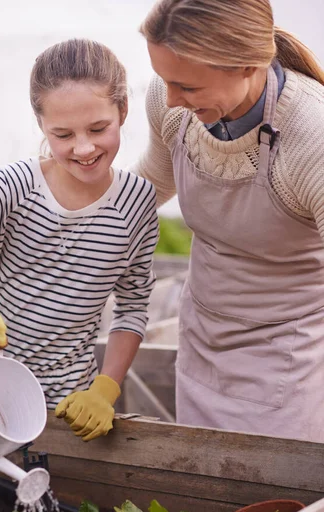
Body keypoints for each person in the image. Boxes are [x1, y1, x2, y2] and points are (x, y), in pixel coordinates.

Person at [0, 39, 159, 442]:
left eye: (98, 128)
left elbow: (133, 307)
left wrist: (106, 389)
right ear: (41, 126)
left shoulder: (137, 202)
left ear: (122, 111)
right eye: (63, 134)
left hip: (75, 412)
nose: (83, 148)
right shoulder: (15, 186)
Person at [134, 0, 324, 442]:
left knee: (275, 506)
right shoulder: (169, 102)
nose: (173, 98)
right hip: (203, 344)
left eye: (187, 87)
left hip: (289, 365)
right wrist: (66, 216)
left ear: (245, 66)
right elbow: (149, 185)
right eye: (165, 80)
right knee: (200, 498)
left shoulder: (313, 138)